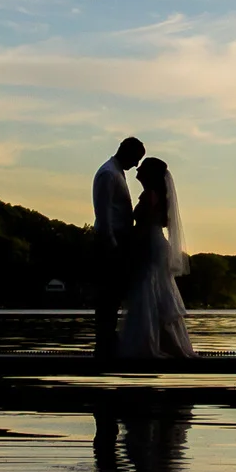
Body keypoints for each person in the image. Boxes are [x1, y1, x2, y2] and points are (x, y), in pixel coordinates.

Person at [118, 157, 194, 359]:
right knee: (155, 288)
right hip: (154, 243)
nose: (137, 170)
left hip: (150, 244)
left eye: (142, 168)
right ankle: (161, 343)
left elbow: (145, 224)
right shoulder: (155, 194)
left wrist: (131, 247)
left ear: (149, 174)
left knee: (148, 288)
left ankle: (150, 344)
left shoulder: (150, 195)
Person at [93, 137, 144, 354]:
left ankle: (108, 339)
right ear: (126, 152)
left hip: (119, 240)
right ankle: (104, 341)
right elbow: (103, 213)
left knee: (113, 294)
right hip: (111, 241)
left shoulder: (116, 172)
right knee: (108, 294)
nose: (136, 165)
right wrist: (112, 245)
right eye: (136, 159)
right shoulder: (108, 174)